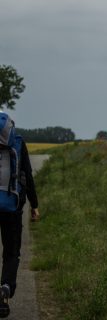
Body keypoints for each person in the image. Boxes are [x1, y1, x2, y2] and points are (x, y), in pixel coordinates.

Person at [0, 112, 39, 318]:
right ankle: (5, 288)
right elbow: (27, 175)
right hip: (12, 204)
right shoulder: (17, 141)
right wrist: (34, 204)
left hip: (11, 204)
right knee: (11, 251)